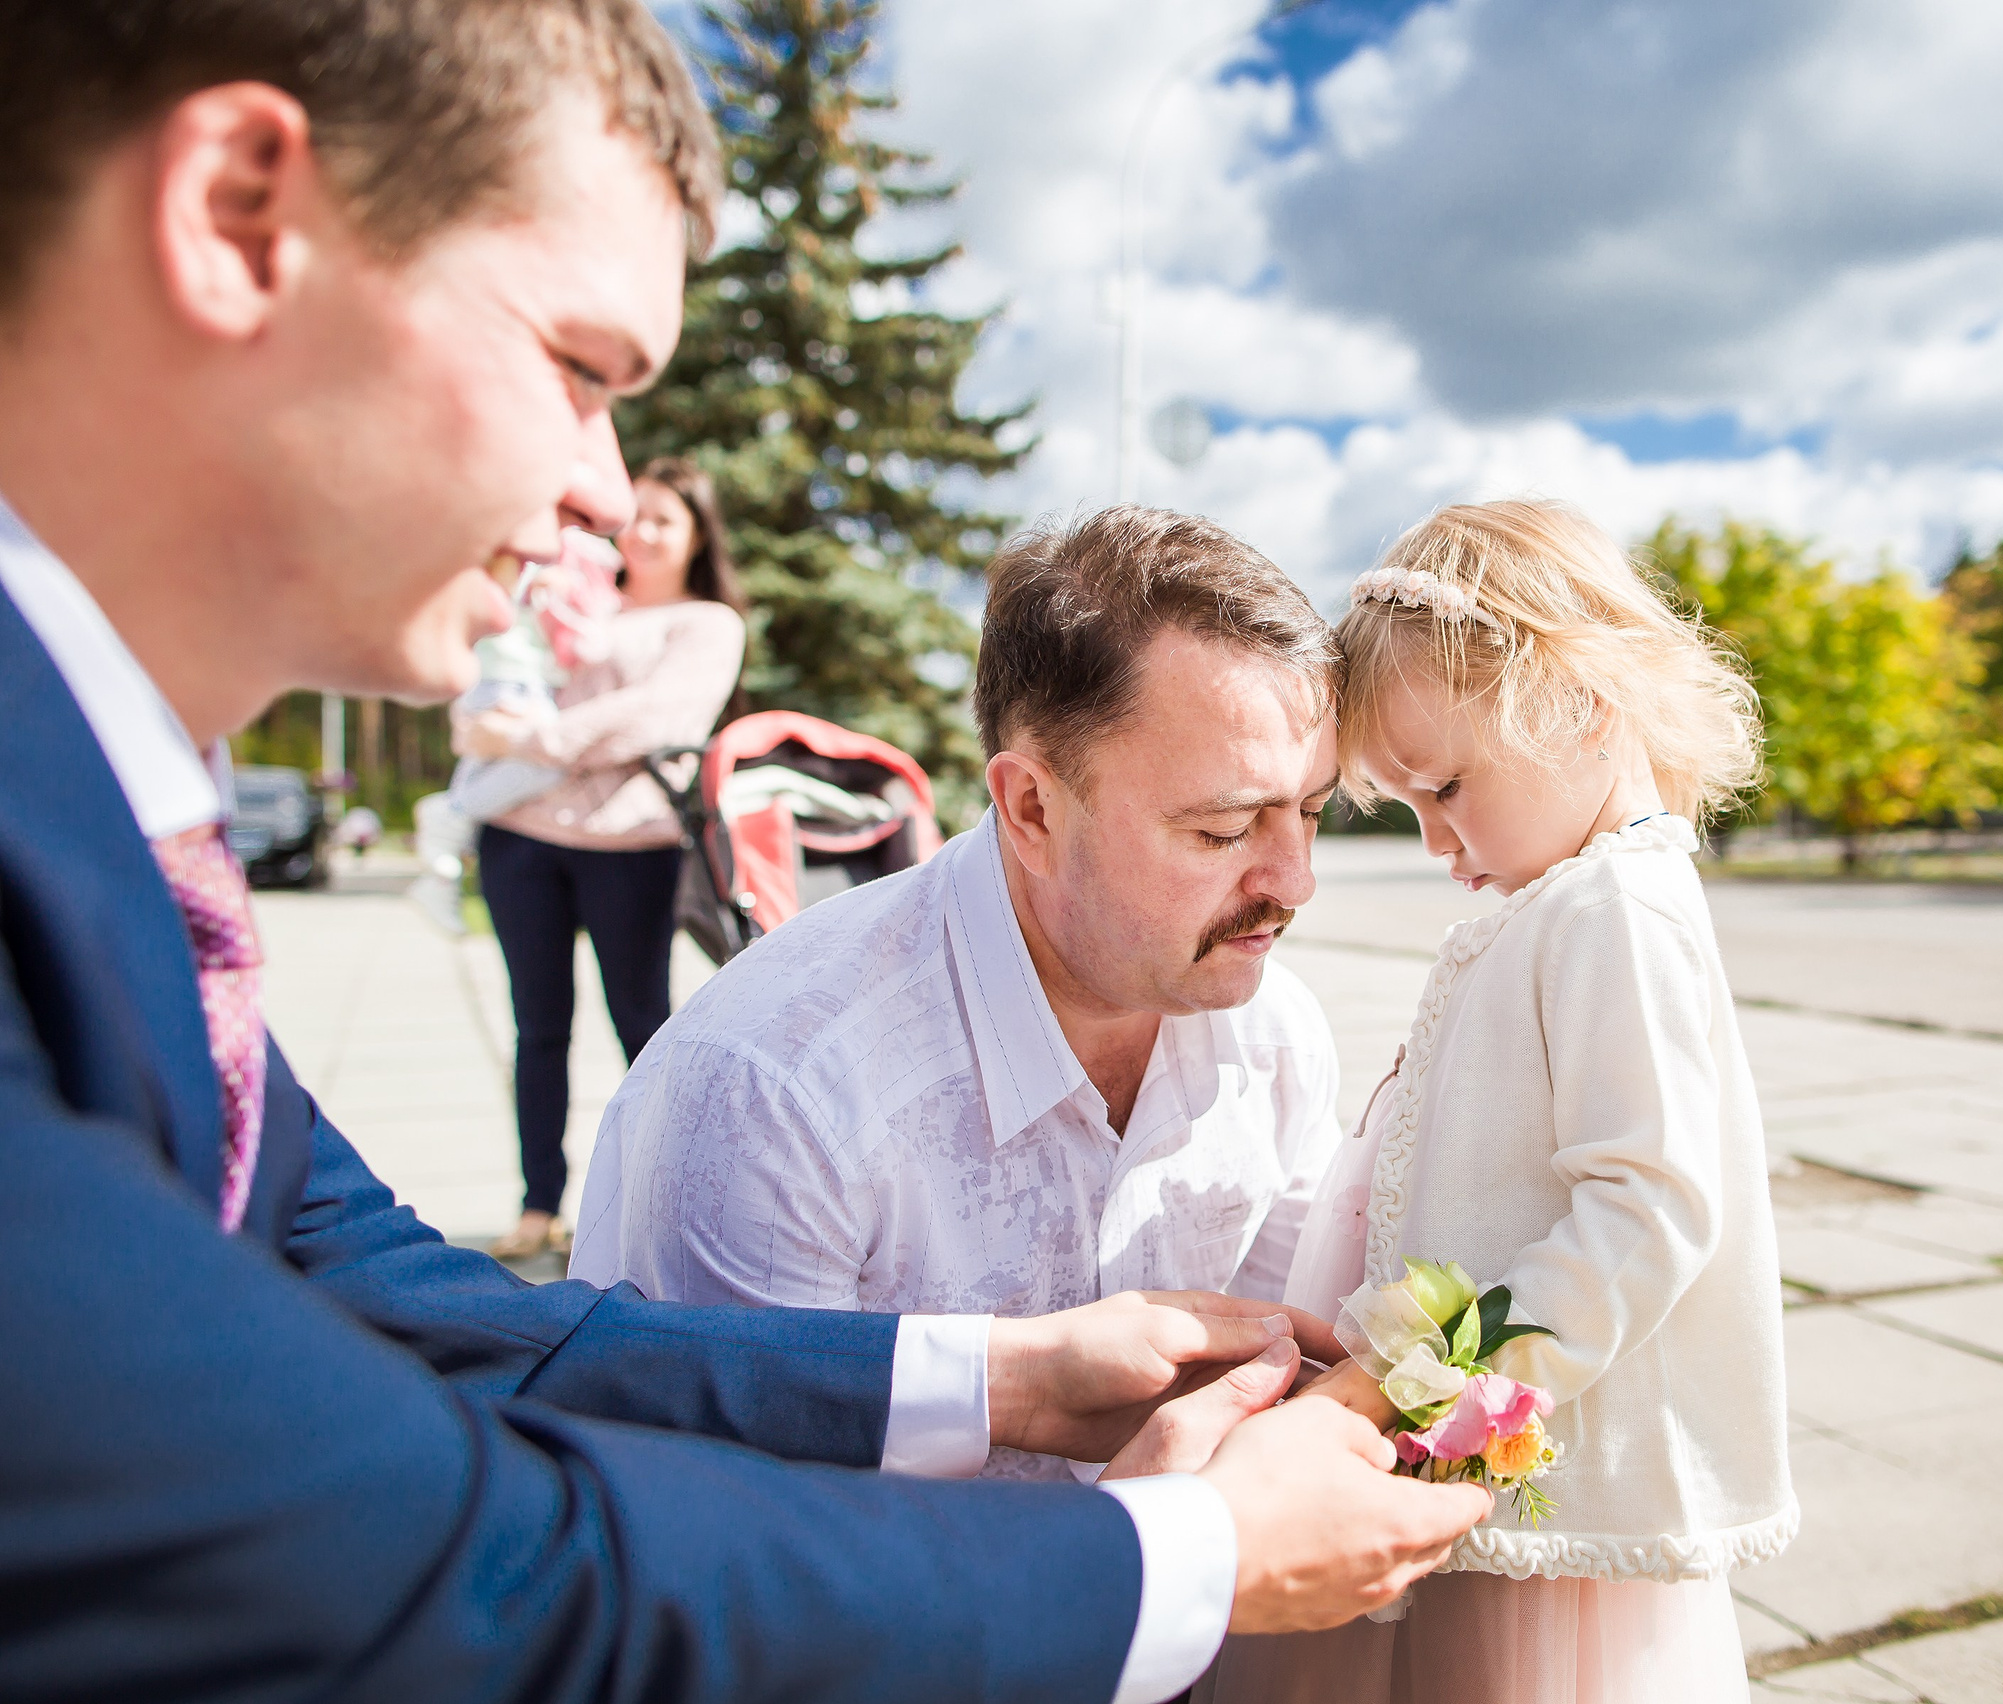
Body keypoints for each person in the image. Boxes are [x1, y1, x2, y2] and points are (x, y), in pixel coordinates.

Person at [0, 4, 1491, 1700]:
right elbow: (461, 1578)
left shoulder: (98, 836)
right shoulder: (783, 1075)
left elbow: (411, 1305)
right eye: (578, 369)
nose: (606, 490)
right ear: (234, 217)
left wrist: (1003, 1377)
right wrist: (1184, 1557)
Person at [571, 507, 1345, 1479]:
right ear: (1032, 808)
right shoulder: (775, 1095)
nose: (1295, 881)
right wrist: (1143, 1538)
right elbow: (740, 1534)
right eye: (1223, 830)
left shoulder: (1275, 1038)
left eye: (1314, 810)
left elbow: (1274, 1409)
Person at [1203, 501, 1797, 1704]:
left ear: (1578, 704)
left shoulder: (1613, 910)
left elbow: (1646, 1208)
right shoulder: (1568, 901)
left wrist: (1422, 1382)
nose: (1434, 839)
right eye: (1408, 804)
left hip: (1524, 1472)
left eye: (1447, 787)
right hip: (1478, 1451)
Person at [461, 456, 748, 1258]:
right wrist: (494, 730)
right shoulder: (570, 597)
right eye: (634, 516)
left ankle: (656, 1203)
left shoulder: (705, 623)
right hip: (520, 840)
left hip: (631, 850)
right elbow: (491, 686)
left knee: (642, 1027)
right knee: (537, 1028)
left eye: (664, 519)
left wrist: (536, 740)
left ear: (697, 536)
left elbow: (659, 717)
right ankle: (537, 1205)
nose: (642, 532)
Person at [405, 525, 626, 936]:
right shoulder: (518, 543)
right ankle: (450, 817)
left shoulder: (548, 547)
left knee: (478, 776)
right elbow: (490, 587)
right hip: (506, 679)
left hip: (508, 678)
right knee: (544, 765)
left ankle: (439, 879)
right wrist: (541, 581)